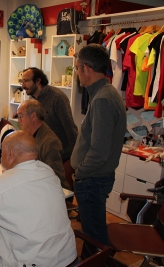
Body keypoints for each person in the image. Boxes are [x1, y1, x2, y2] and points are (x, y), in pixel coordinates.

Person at [0, 131, 77, 267]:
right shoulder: (48, 172)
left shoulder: (1, 186)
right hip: (67, 259)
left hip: (32, 262)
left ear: (10, 153)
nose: (1, 157)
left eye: (2, 153)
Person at [71, 44, 126, 246]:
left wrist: (81, 173)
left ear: (87, 68)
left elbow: (99, 151)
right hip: (93, 179)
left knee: (94, 237)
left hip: (92, 180)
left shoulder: (103, 99)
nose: (77, 73)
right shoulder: (105, 93)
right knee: (92, 232)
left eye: (77, 68)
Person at [21, 67, 78, 162]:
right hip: (42, 154)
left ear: (38, 81)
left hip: (61, 156)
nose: (23, 85)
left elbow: (70, 128)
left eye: (26, 81)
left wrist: (75, 159)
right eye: (22, 81)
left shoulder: (57, 98)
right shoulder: (32, 100)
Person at [17, 99, 70, 190]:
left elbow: (53, 176)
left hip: (53, 192)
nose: (18, 120)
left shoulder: (50, 142)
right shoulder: (28, 136)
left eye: (21, 116)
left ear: (33, 116)